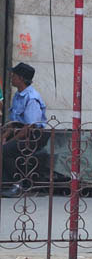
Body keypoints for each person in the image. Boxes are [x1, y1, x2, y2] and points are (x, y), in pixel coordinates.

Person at [1, 62, 48, 197]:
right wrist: (4, 136)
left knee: (6, 150)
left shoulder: (31, 98)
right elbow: (14, 123)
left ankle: (16, 185)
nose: (11, 78)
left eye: (14, 75)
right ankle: (5, 183)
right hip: (19, 131)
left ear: (21, 78)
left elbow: (30, 126)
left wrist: (11, 141)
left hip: (32, 136)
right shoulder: (18, 95)